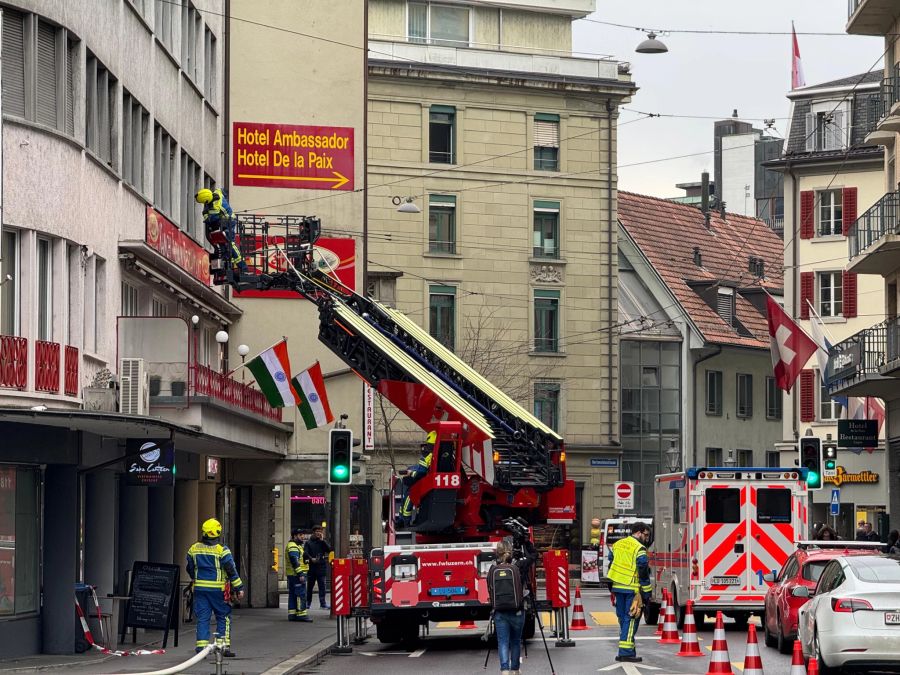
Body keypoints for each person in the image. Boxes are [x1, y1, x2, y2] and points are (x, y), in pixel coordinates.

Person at [186, 518, 244, 656]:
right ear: (218, 533)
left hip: (200, 589)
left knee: (203, 618)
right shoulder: (222, 550)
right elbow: (231, 570)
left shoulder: (193, 548)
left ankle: (201, 649)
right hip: (218, 591)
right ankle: (222, 647)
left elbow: (190, 568)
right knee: (223, 617)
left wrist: (195, 579)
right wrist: (239, 588)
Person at [487, 537, 537, 675]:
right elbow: (534, 555)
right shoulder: (519, 565)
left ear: (497, 552)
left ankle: (504, 670)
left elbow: (490, 589)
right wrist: (526, 541)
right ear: (510, 551)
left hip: (500, 612)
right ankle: (515, 669)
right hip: (517, 610)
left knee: (503, 641)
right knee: (515, 641)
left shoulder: (492, 569)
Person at [607, 522, 652, 663]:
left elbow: (611, 563)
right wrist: (646, 593)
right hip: (633, 589)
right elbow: (643, 571)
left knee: (623, 618)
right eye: (645, 535)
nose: (647, 538)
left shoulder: (618, 544)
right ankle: (626, 652)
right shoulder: (640, 549)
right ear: (638, 532)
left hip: (617, 587)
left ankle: (628, 649)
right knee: (632, 619)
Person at [195, 188, 246, 275]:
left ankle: (243, 266)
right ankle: (226, 265)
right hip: (225, 222)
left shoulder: (215, 206)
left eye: (204, 202)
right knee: (223, 243)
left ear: (207, 200)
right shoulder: (217, 192)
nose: (204, 204)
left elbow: (211, 219)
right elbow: (223, 191)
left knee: (229, 243)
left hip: (228, 222)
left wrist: (205, 214)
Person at [398, 431, 436, 526]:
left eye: (428, 445)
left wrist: (411, 473)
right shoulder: (440, 455)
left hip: (426, 482)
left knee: (409, 495)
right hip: (432, 482)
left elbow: (421, 473)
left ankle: (404, 521)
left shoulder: (427, 457)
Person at [285, 527, 312, 622]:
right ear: (294, 536)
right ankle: (301, 614)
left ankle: (292, 614)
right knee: (301, 594)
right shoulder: (293, 546)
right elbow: (294, 561)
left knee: (293, 594)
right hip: (297, 575)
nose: (303, 537)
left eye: (303, 535)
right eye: (300, 535)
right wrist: (300, 573)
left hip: (293, 574)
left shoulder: (296, 545)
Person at [304, 526, 333, 609]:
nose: (318, 533)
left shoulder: (322, 542)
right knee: (310, 587)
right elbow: (305, 553)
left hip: (321, 567)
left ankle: (323, 603)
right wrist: (311, 558)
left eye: (320, 531)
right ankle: (308, 603)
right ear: (313, 532)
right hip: (312, 567)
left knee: (322, 587)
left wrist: (323, 540)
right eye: (317, 531)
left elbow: (329, 550)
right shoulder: (308, 542)